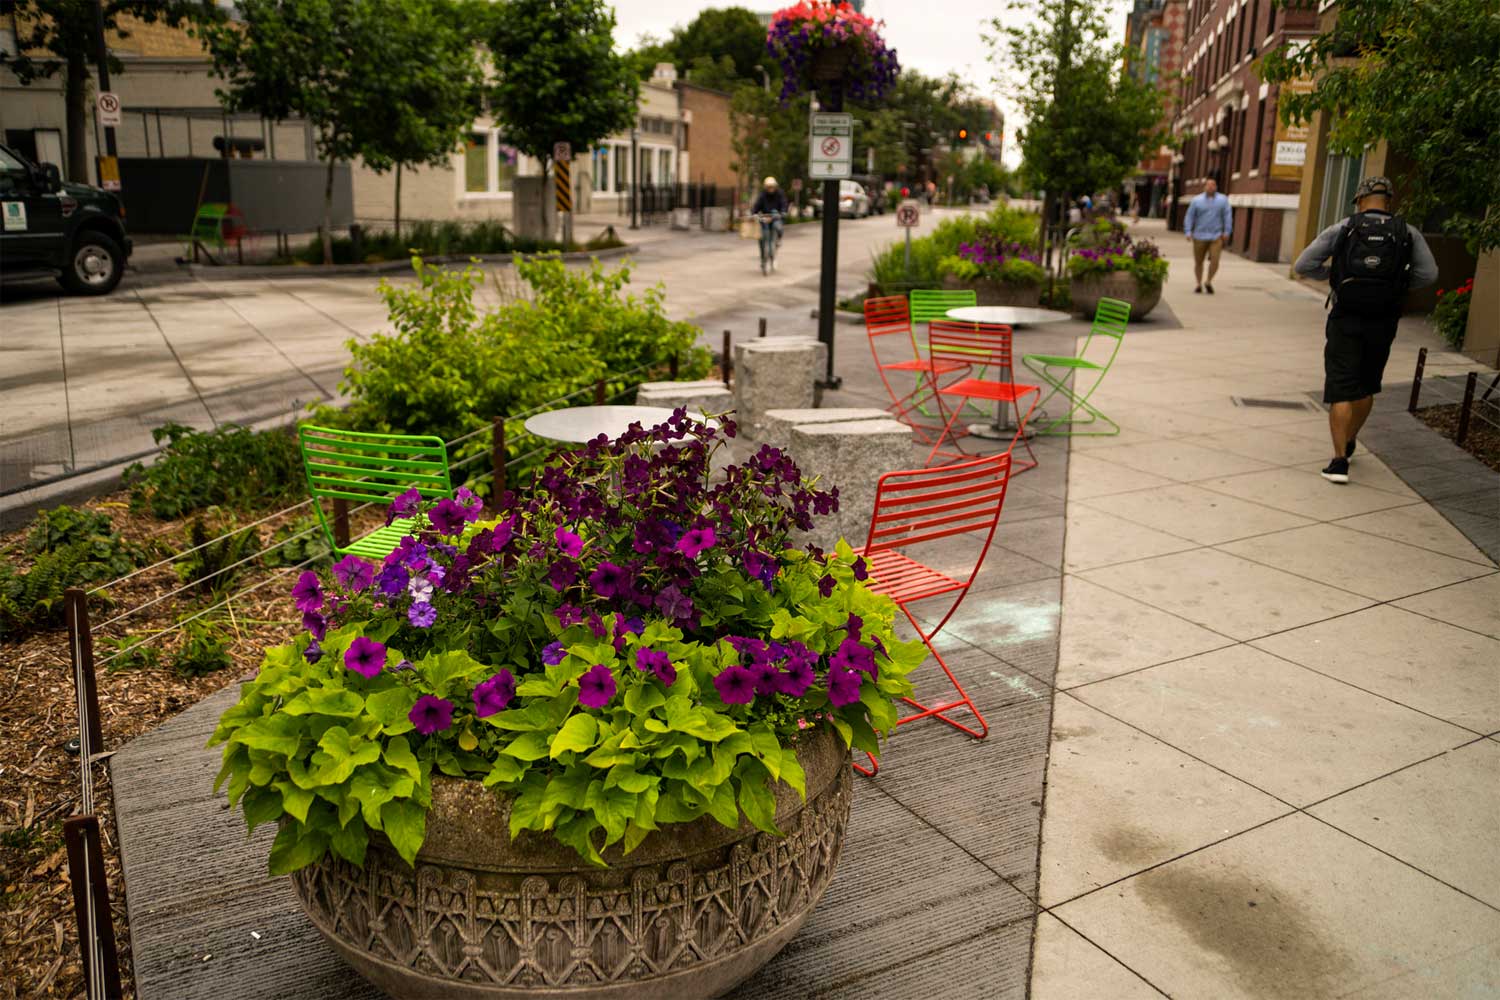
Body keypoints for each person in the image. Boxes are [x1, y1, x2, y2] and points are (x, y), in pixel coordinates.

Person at [1293, 176, 1437, 484]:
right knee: (1367, 383)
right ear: (1389, 201)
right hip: (1383, 319)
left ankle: (1338, 461)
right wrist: (1395, 288)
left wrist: (1335, 277)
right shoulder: (1407, 233)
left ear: (1359, 200)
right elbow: (1429, 274)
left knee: (1341, 384)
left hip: (1346, 316)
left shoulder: (1344, 228)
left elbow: (1303, 265)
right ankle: (1350, 439)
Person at [1183, 178, 1232, 293]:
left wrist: (1227, 231)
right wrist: (1188, 231)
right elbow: (1189, 216)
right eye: (1208, 185)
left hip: (1216, 236)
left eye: (1213, 185)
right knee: (1198, 262)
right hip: (1199, 235)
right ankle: (1198, 283)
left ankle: (1208, 281)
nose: (1210, 187)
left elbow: (1227, 216)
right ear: (1204, 187)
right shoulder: (1196, 200)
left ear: (1216, 187)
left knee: (1215, 261)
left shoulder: (1223, 200)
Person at [750, 176, 787, 246]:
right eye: (769, 186)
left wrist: (783, 211)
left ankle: (778, 239)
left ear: (775, 186)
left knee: (778, 226)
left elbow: (783, 203)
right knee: (760, 231)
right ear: (765, 187)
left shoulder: (780, 193)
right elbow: (757, 205)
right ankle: (762, 246)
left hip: (776, 216)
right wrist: (754, 213)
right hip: (765, 216)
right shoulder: (762, 195)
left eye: (772, 186)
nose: (770, 188)